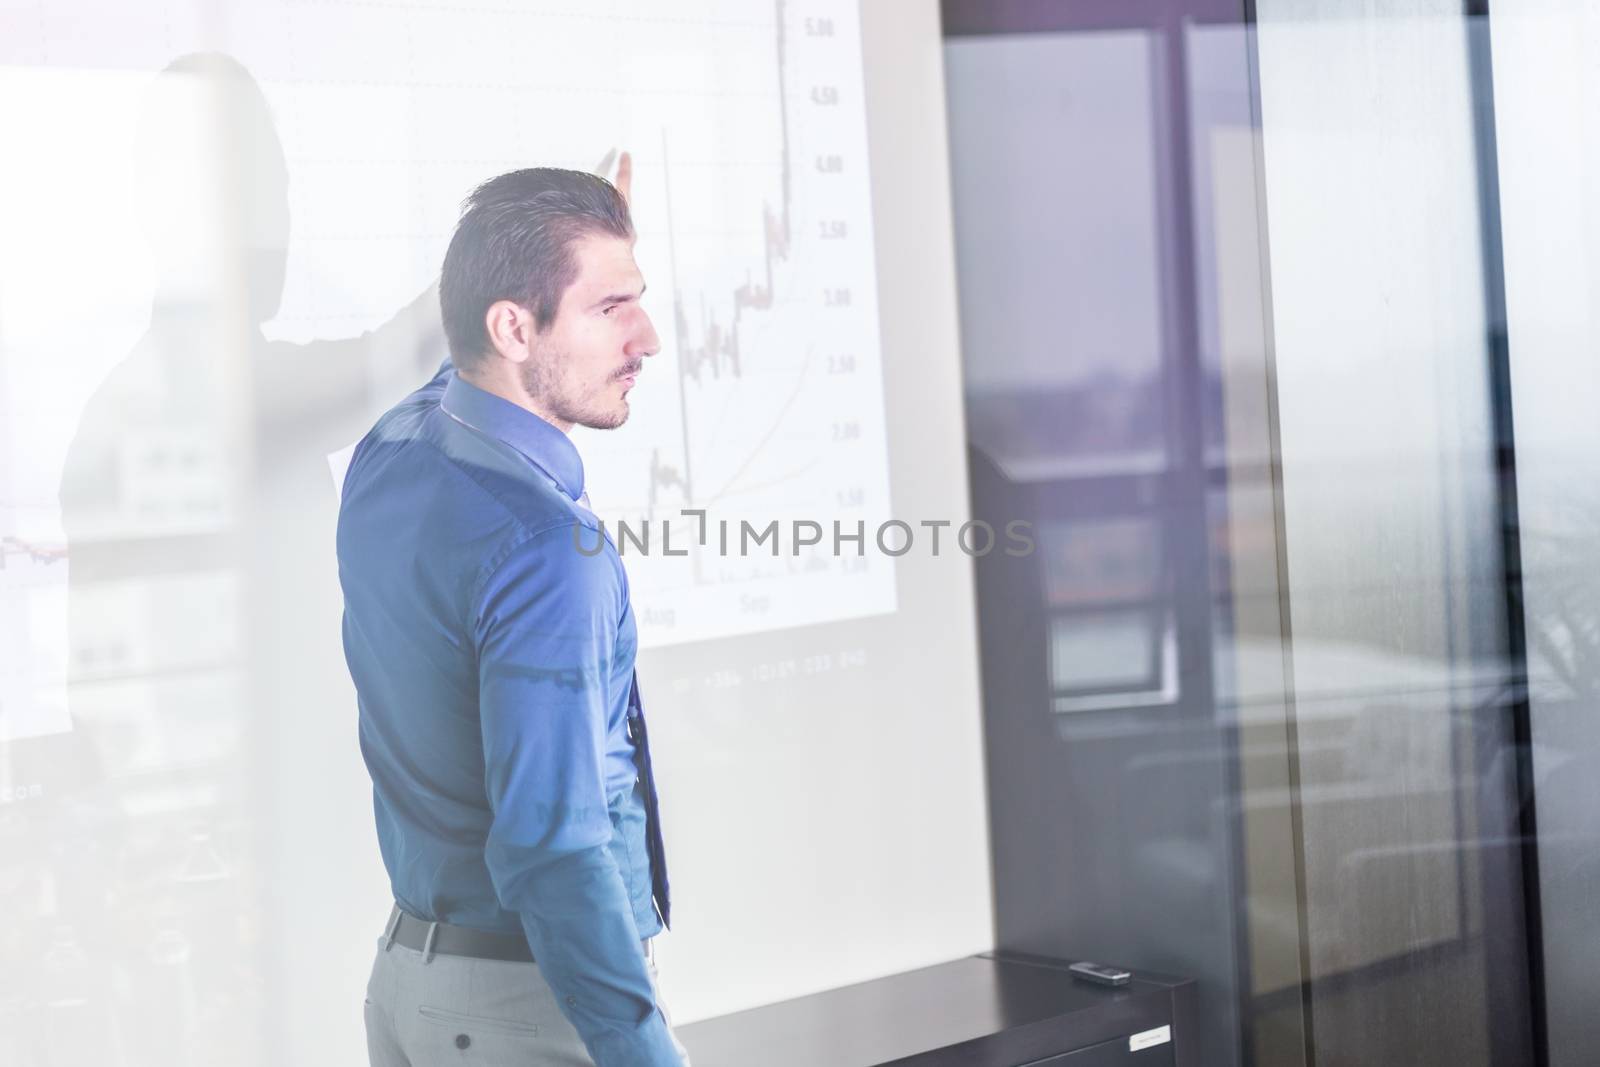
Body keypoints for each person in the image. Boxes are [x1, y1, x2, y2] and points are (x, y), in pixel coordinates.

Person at [337, 162, 689, 1066]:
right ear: (512, 326)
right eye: (612, 307)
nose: (647, 336)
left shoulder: (391, 454)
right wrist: (644, 1050)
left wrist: (543, 240)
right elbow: (552, 850)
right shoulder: (546, 553)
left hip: (410, 987)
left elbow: (455, 375)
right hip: (524, 1010)